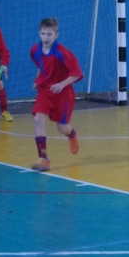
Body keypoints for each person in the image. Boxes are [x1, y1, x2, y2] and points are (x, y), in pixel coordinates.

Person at [29, 18, 83, 172]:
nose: (46, 37)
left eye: (50, 34)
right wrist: (38, 80)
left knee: (62, 127)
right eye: (43, 34)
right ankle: (44, 159)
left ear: (56, 35)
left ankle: (72, 134)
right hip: (45, 90)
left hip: (63, 93)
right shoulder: (35, 50)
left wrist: (62, 84)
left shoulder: (63, 53)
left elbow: (77, 74)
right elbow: (40, 66)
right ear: (39, 33)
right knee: (38, 119)